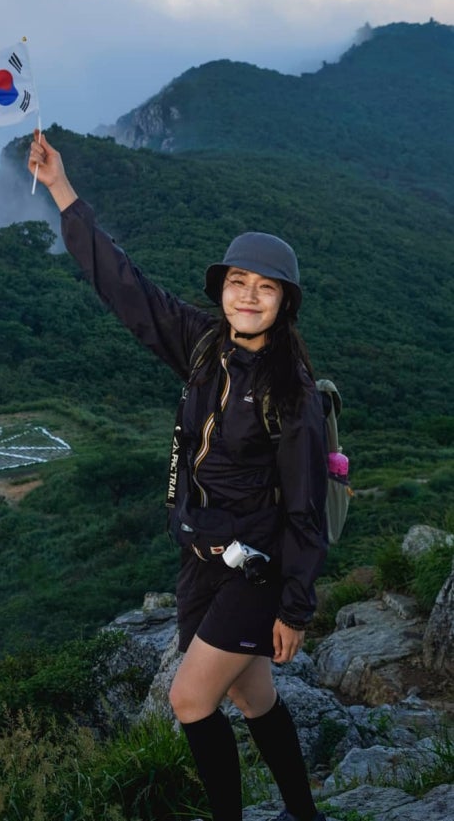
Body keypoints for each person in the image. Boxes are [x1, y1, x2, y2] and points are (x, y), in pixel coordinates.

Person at [28, 130, 329, 821]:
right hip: (201, 555)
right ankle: (302, 816)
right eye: (237, 282)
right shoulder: (201, 346)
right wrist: (61, 191)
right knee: (251, 695)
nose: (247, 296)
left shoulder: (292, 393)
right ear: (220, 289)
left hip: (255, 566)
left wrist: (294, 606)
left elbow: (306, 507)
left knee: (189, 699)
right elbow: (123, 285)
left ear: (284, 303)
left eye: (264, 288)